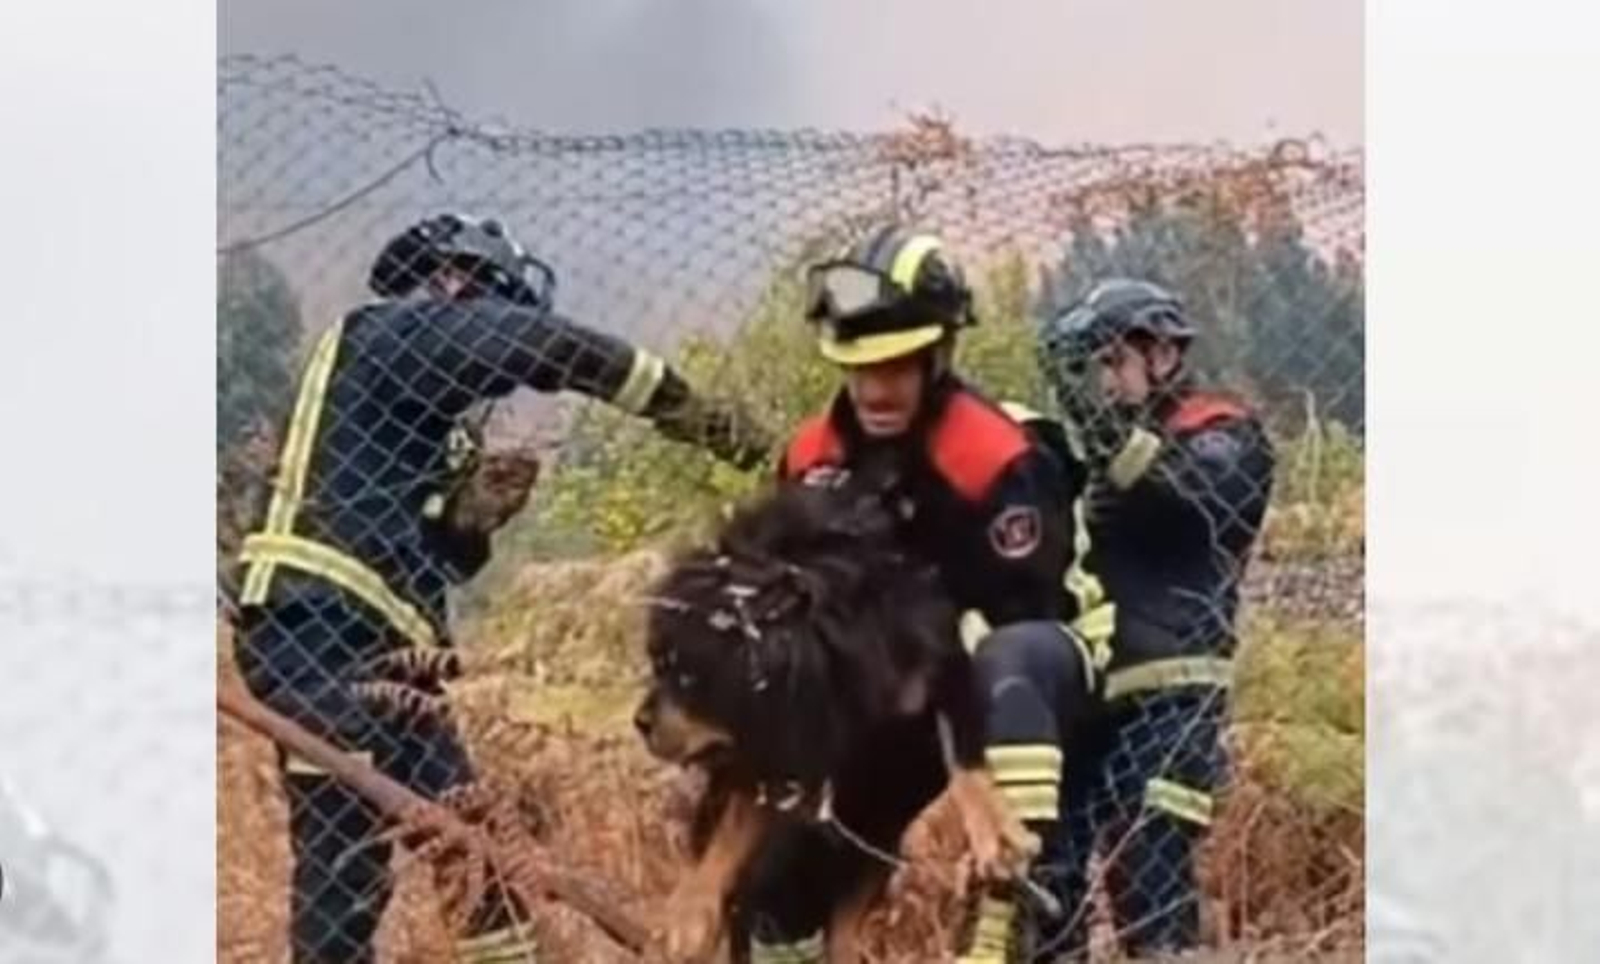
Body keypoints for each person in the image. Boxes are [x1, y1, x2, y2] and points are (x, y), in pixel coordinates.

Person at [230, 212, 773, 964]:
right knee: (343, 873)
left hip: (388, 658)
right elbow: (556, 348)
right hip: (315, 632)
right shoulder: (401, 332)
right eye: (497, 311)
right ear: (460, 284)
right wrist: (699, 417)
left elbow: (433, 559)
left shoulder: (411, 408)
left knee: (476, 854)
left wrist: (471, 520)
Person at [769, 224, 1112, 964]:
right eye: (858, 367)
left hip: (1032, 677)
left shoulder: (997, 458)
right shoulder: (808, 459)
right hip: (895, 687)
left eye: (896, 365)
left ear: (939, 355)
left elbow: (1020, 612)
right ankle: (790, 932)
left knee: (1006, 661)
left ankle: (1002, 924)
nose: (875, 388)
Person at [1034, 278, 1275, 959]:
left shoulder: (1222, 428)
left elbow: (1206, 503)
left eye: (1112, 362)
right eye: (1090, 368)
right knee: (1049, 866)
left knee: (1150, 861)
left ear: (1164, 351)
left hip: (1175, 683)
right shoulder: (1093, 452)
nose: (1100, 384)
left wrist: (1115, 447)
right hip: (1088, 686)